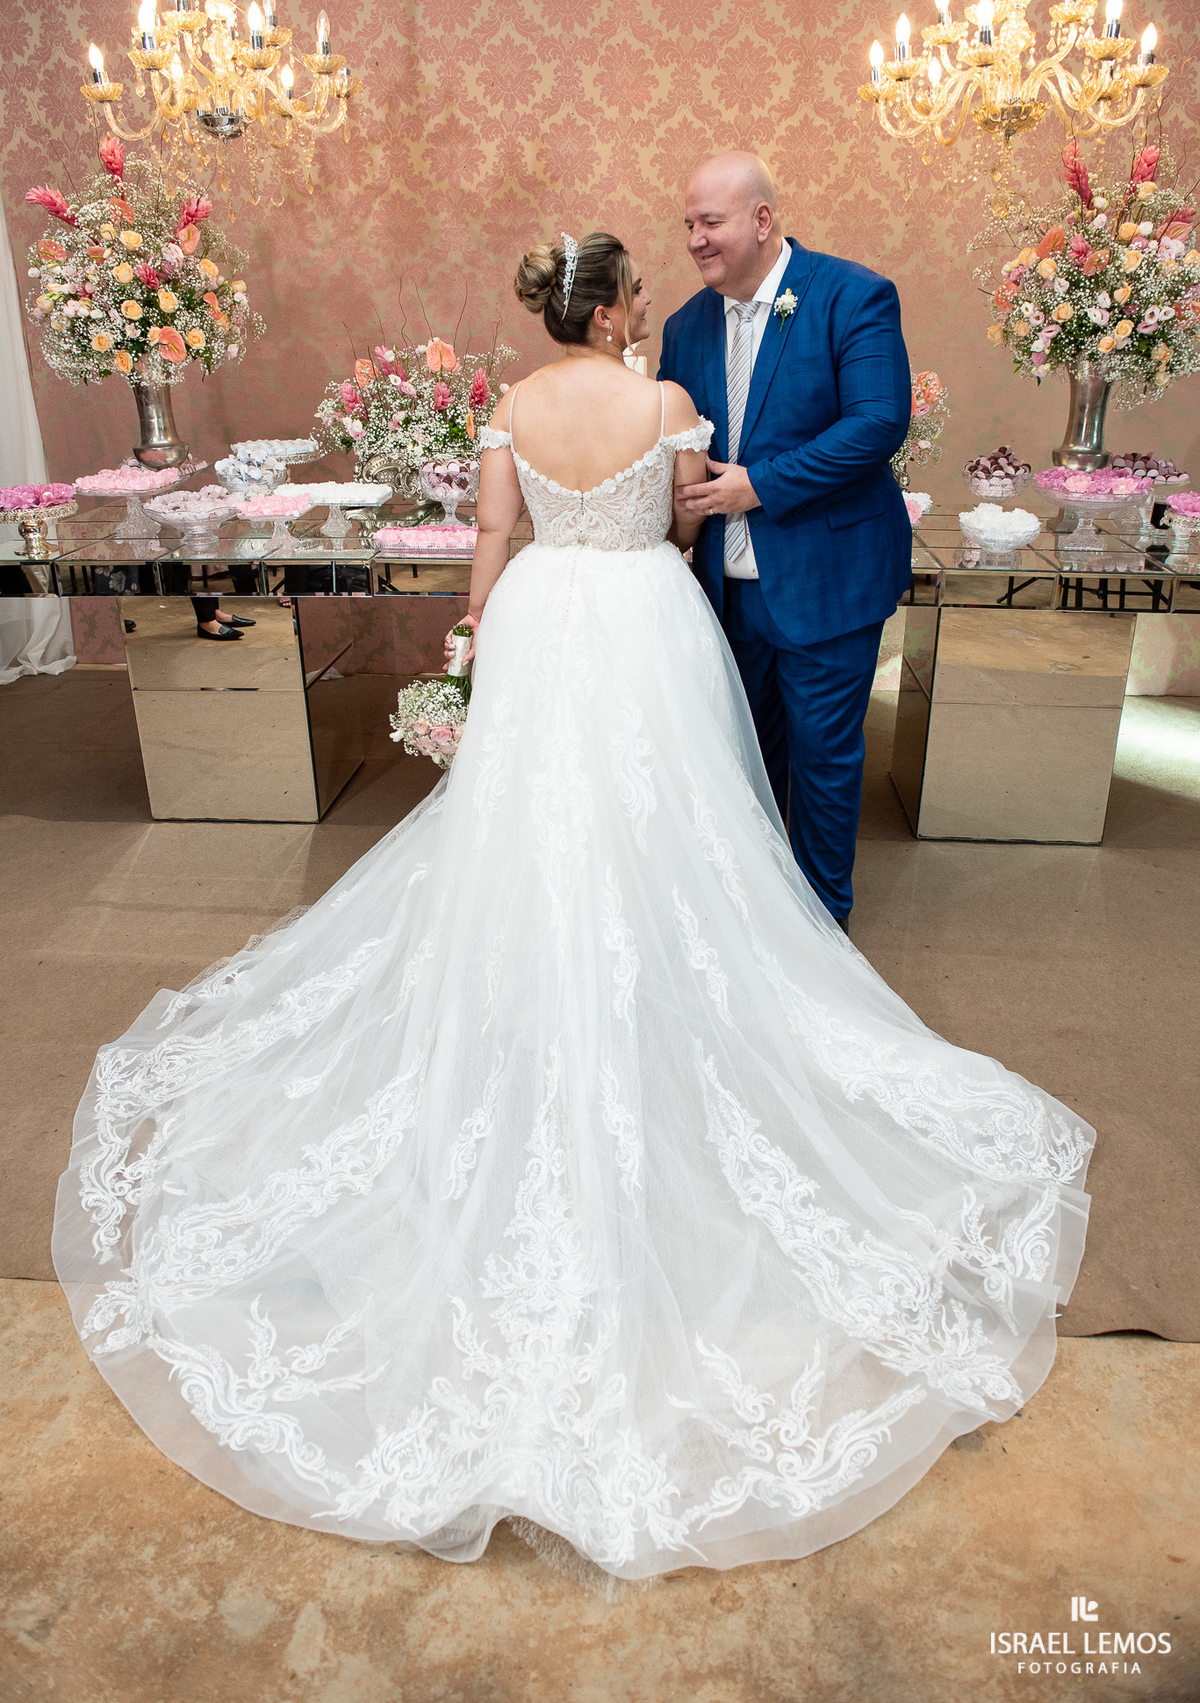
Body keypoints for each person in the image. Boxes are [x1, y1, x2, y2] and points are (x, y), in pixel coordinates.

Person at [54, 231, 1093, 1585]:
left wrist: (481, 638)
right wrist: (636, 527)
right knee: (675, 818)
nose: (651, 304)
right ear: (607, 312)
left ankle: (527, 984)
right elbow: (679, 526)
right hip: (646, 619)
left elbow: (493, 535)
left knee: (524, 820)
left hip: (543, 617)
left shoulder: (515, 401)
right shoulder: (665, 402)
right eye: (637, 294)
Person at [659, 152, 913, 930]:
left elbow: (878, 422)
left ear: (763, 219)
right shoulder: (684, 326)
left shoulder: (852, 295)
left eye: (711, 222)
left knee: (824, 760)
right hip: (724, 592)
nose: (695, 239)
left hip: (827, 579)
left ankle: (824, 927)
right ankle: (759, 918)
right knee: (745, 760)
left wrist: (759, 485)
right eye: (689, 224)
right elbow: (672, 448)